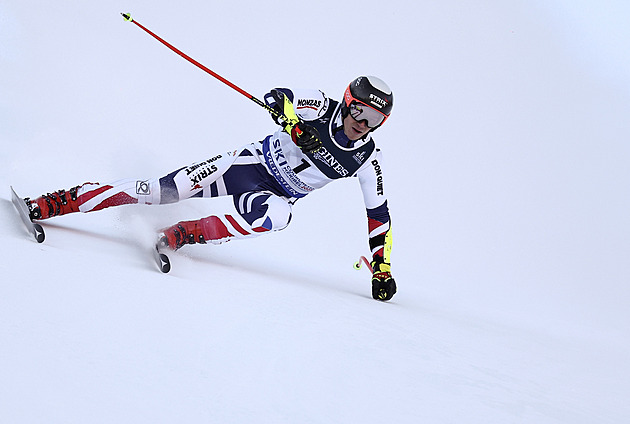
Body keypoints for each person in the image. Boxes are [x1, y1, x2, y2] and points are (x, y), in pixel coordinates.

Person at [23, 75, 397, 301]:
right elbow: (277, 95)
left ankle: (180, 235)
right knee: (159, 191)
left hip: (270, 195)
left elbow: (378, 215)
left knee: (280, 217)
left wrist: (382, 268)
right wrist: (295, 126)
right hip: (245, 166)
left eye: (375, 118)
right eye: (360, 111)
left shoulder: (367, 159)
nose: (364, 123)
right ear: (348, 103)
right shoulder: (321, 106)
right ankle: (51, 203)